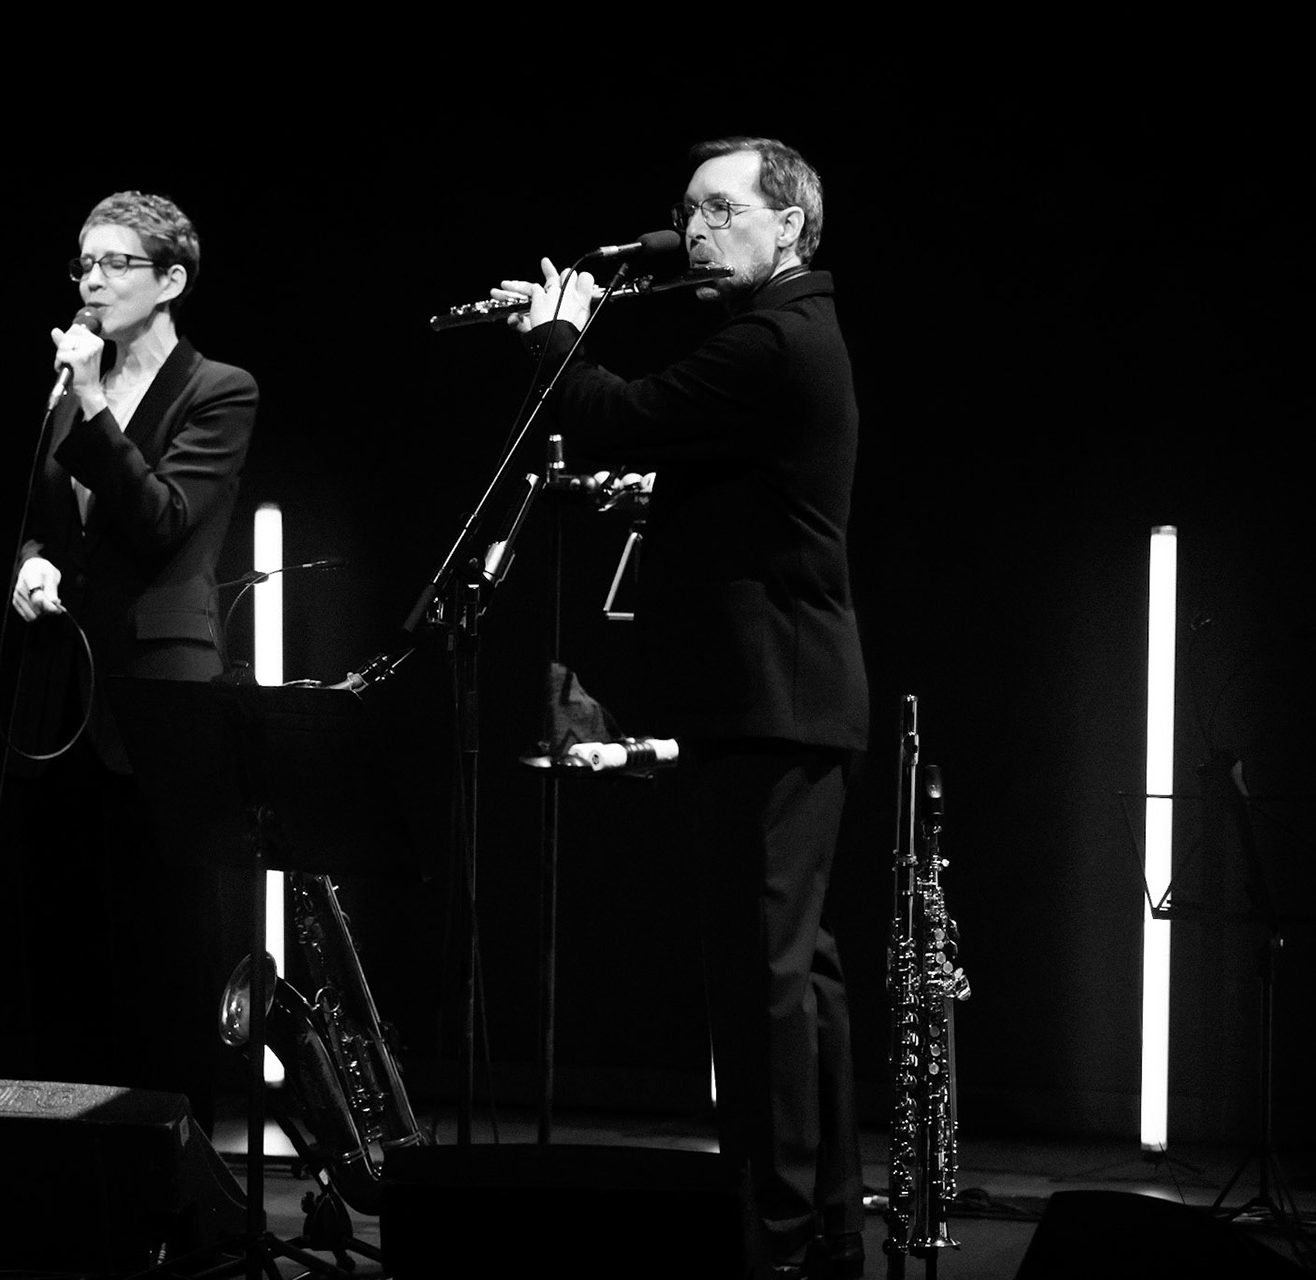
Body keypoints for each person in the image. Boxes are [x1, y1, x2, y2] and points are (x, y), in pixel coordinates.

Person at [495, 138, 870, 1279]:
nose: (695, 233)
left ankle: (776, 1236)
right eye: (690, 212)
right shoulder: (785, 332)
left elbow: (620, 411)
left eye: (720, 211)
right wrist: (659, 492)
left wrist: (558, 336)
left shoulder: (773, 336)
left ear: (787, 225)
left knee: (762, 981)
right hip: (774, 696)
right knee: (797, 974)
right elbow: (730, 471)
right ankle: (824, 1228)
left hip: (771, 699)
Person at [4, 190, 257, 1130]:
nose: (93, 281)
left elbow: (160, 522)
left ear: (171, 279)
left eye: (116, 263)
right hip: (63, 688)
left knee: (164, 941)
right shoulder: (70, 390)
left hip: (158, 692)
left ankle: (174, 1161)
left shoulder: (219, 389)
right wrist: (31, 564)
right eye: (84, 263)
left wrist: (90, 402)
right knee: (66, 935)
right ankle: (68, 1153)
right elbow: (44, 522)